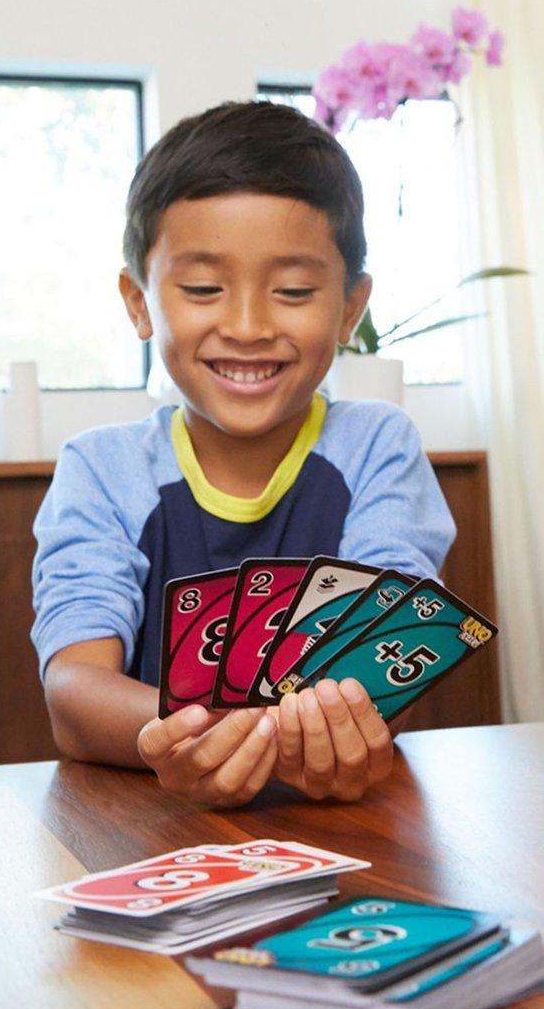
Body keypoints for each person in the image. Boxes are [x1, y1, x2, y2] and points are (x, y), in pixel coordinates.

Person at [32, 101, 453, 809]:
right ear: (139, 303)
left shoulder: (380, 446)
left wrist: (271, 734)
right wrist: (197, 733)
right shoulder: (101, 470)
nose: (250, 326)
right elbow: (74, 690)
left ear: (350, 309)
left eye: (293, 291)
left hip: (341, 827)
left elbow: (389, 661)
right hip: (152, 830)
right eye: (203, 289)